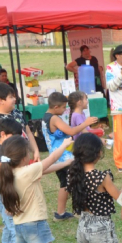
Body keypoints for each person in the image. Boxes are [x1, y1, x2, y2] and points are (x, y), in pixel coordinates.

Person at [0, 119, 36, 243]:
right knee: (14, 224)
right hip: (1, 193)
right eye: (14, 136)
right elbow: (5, 175)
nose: (17, 140)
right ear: (3, 134)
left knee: (7, 221)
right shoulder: (0, 152)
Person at [43, 92, 98, 220]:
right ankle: (81, 210)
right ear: (56, 107)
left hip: (56, 156)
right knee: (77, 182)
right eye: (63, 107)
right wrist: (86, 123)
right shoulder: (54, 118)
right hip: (64, 157)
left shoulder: (45, 117)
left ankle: (60, 213)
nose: (65, 110)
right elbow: (72, 131)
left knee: (65, 184)